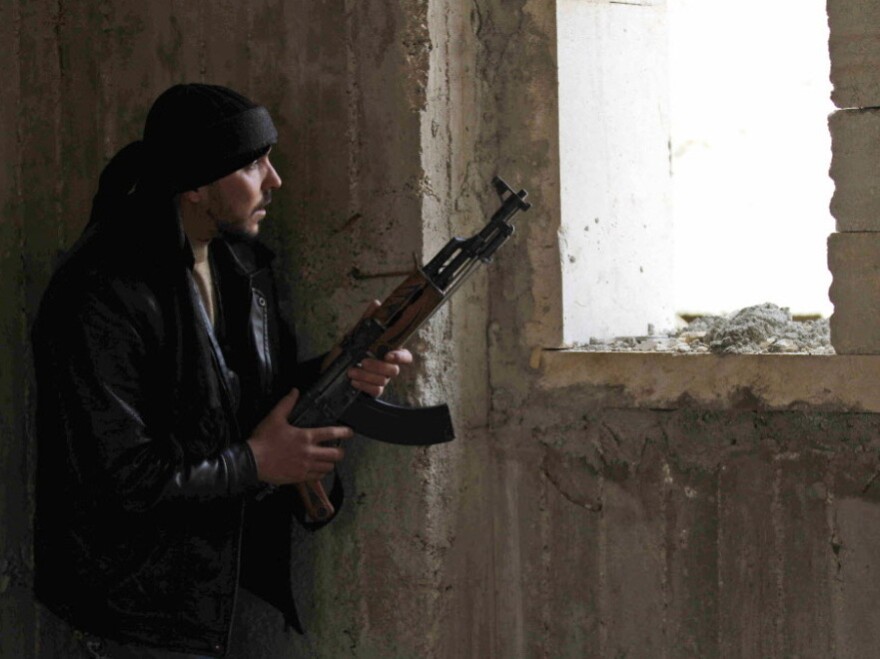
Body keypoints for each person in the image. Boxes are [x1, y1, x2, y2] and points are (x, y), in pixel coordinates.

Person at [31, 83, 411, 658]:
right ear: (196, 184)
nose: (274, 180)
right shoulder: (100, 293)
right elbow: (121, 480)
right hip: (133, 612)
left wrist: (341, 369)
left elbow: (234, 400)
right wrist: (258, 462)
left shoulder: (240, 266)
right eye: (254, 163)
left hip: (220, 597)